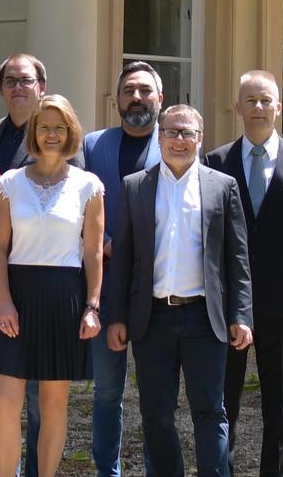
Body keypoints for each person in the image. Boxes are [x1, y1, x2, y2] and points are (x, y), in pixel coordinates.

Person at [104, 104, 253, 477]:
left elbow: (238, 258)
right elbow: (122, 260)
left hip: (205, 319)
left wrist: (241, 315)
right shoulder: (135, 186)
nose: (179, 140)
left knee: (210, 410)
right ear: (159, 135)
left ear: (200, 139)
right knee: (156, 415)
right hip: (151, 319)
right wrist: (117, 317)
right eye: (172, 131)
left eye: (188, 133)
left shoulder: (223, 186)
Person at [204, 70, 283, 477]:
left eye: (265, 100)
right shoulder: (215, 162)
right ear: (238, 108)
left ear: (279, 107)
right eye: (250, 100)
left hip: (281, 304)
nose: (258, 107)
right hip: (229, 306)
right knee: (223, 402)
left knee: (279, 406)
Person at [0, 53, 82, 476]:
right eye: (11, 81)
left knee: (42, 395)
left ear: (42, 85)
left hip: (49, 281)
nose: (19, 87)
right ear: (1, 88)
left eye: (27, 80)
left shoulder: (62, 141)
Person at [0, 94, 104, 477]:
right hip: (15, 298)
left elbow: (92, 253)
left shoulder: (89, 186)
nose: (51, 134)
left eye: (59, 127)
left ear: (70, 132)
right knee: (7, 402)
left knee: (54, 405)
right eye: (43, 126)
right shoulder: (8, 183)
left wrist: (92, 305)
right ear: (33, 132)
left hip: (64, 297)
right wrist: (4, 301)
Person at [80, 60, 163, 477]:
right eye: (129, 90)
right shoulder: (94, 145)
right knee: (108, 392)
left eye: (145, 91)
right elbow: (74, 206)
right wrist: (99, 241)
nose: (136, 97)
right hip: (106, 288)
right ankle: (106, 471)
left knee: (154, 395)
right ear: (116, 99)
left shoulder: (175, 145)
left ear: (160, 99)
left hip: (156, 289)